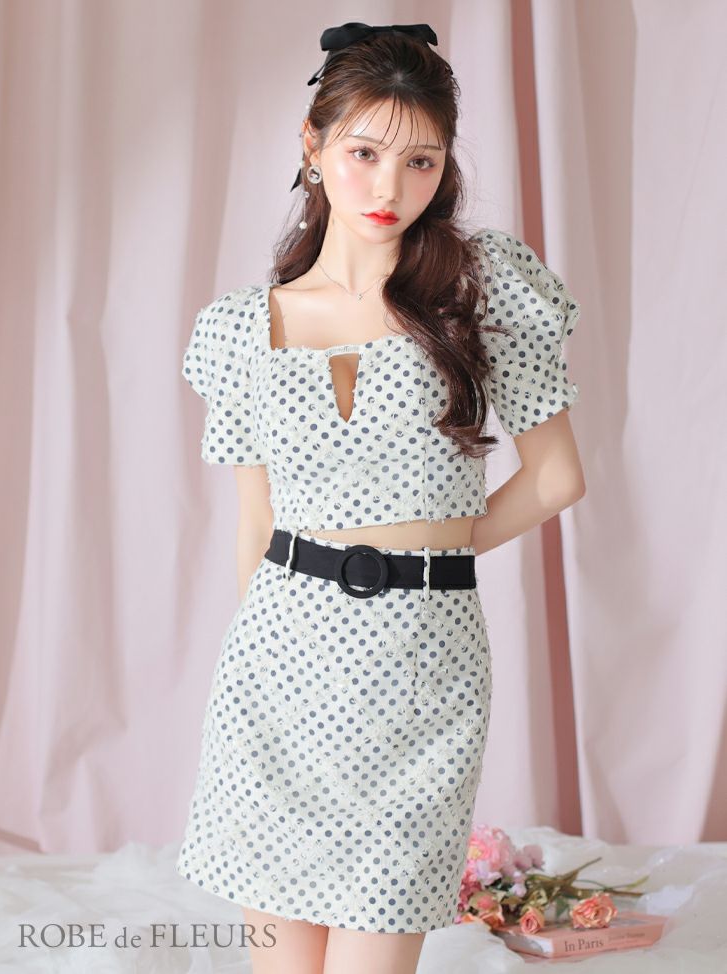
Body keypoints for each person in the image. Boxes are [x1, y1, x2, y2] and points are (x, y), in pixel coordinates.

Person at [176, 21, 586, 974]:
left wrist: (428, 555)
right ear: (312, 146)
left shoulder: (483, 294)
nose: (389, 187)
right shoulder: (239, 331)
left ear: (445, 167)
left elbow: (558, 476)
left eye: (420, 161)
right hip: (277, 679)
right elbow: (256, 525)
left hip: (421, 679)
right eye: (363, 153)